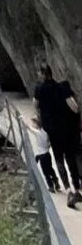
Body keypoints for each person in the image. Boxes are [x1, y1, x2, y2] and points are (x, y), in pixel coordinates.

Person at [33, 65, 82, 208]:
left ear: (42, 74)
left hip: (54, 132)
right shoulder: (63, 87)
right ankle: (77, 189)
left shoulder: (39, 89)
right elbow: (74, 107)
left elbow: (35, 106)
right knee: (71, 158)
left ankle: (68, 191)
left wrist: (42, 119)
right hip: (68, 130)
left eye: (39, 73)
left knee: (59, 160)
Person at [32, 115, 64, 192]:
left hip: (41, 155)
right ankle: (56, 182)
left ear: (37, 124)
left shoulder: (37, 133)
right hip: (47, 154)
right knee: (50, 169)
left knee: (45, 172)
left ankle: (51, 186)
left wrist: (20, 119)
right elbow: (49, 143)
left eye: (33, 123)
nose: (32, 125)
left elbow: (28, 128)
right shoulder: (45, 132)